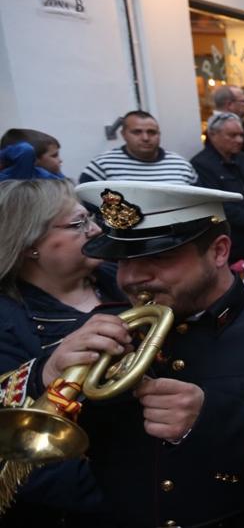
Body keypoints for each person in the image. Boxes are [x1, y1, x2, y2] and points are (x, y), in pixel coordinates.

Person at [1, 181, 244, 526]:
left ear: (220, 251)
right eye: (122, 259)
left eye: (158, 257)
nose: (132, 278)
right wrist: (45, 373)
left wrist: (210, 420)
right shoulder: (102, 325)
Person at [0, 180, 123, 527]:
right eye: (78, 223)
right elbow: (20, 454)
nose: (96, 228)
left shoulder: (124, 277)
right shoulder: (7, 321)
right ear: (29, 245)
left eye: (91, 218)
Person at [192, 112, 244, 263]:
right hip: (232, 246)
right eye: (232, 135)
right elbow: (217, 205)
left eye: (241, 135)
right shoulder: (201, 165)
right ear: (213, 134)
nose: (239, 140)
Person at [79, 110, 197, 184]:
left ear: (159, 134)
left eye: (151, 132)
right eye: (137, 132)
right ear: (124, 134)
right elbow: (87, 204)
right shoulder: (102, 165)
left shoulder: (181, 165)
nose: (145, 138)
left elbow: (200, 203)